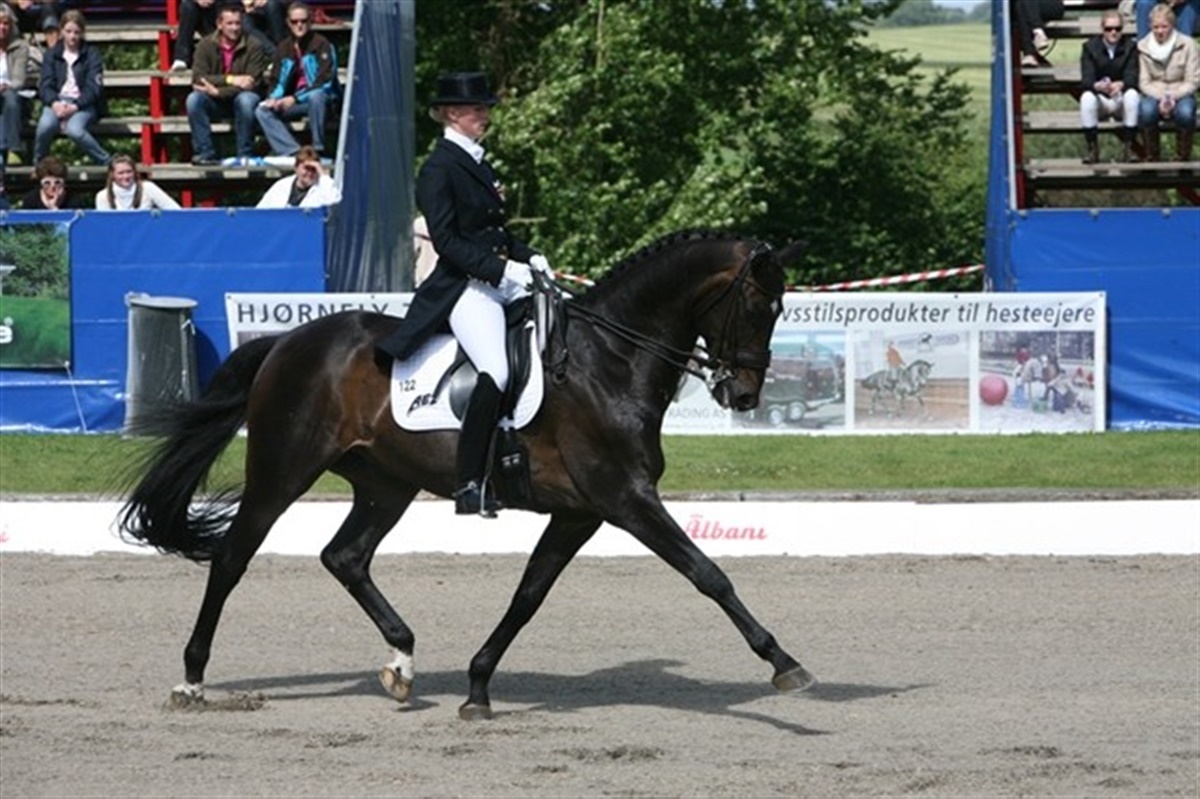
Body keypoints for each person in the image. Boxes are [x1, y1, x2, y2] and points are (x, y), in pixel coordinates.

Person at [376, 72, 552, 518]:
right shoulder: (438, 169)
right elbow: (449, 242)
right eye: (478, 109)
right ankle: (470, 481)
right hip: (464, 288)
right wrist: (502, 269)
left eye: (485, 109)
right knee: (496, 369)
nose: (485, 116)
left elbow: (493, 233)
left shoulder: (476, 161)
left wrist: (530, 257)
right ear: (453, 113)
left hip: (497, 280)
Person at [185, 4, 269, 166]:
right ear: (219, 24)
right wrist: (232, 80)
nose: (234, 28)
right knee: (194, 100)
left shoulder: (254, 45)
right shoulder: (205, 45)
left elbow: (252, 82)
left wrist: (218, 91)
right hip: (215, 102)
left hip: (240, 100)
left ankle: (245, 153)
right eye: (230, 23)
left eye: (238, 23)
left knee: (247, 99)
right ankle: (205, 153)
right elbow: (199, 79)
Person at [254, 2, 337, 157]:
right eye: (294, 22)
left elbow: (325, 82)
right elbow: (275, 81)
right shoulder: (283, 48)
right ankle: (292, 151)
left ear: (310, 21)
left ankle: (318, 148)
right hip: (290, 102)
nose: (299, 25)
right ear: (288, 23)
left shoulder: (322, 44)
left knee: (316, 96)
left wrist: (295, 98)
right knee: (262, 110)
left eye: (303, 21)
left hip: (319, 102)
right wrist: (274, 99)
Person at [33, 9, 109, 165]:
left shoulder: (91, 54)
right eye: (68, 31)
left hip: (83, 103)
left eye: (76, 32)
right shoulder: (52, 54)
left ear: (82, 33)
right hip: (57, 101)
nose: (72, 36)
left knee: (75, 130)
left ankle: (107, 161)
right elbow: (45, 85)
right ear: (61, 31)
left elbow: (94, 87)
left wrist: (76, 106)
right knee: (45, 126)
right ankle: (39, 164)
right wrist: (55, 103)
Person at [1137, 2, 1199, 161]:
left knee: (1185, 113)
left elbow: (1193, 80)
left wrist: (1173, 96)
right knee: (1146, 110)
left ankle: (1182, 156)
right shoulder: (1142, 47)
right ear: (1150, 26)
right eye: (1156, 27)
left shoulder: (1188, 45)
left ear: (1172, 25)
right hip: (1155, 91)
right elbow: (1143, 82)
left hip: (1181, 91)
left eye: (1164, 27)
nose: (1160, 31)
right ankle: (1152, 155)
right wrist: (1162, 97)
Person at [1080, 9, 1141, 163]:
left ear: (1122, 29)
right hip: (1100, 99)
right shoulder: (1089, 47)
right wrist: (1097, 86)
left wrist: (1122, 84)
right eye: (1109, 29)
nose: (1113, 32)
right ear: (1102, 29)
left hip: (1121, 99)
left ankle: (1129, 148)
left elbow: (1133, 76)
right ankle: (1092, 149)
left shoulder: (1130, 47)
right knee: (1086, 98)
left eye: (1117, 29)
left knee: (1133, 95)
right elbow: (1086, 80)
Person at [0, 3, 31, 177]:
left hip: (12, 94)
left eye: (6, 23)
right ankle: (7, 151)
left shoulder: (20, 47)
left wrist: (6, 86)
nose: (2, 27)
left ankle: (12, 149)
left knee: (10, 100)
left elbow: (19, 80)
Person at [255, 143, 339, 207]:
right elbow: (260, 211)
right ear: (296, 168)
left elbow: (333, 202)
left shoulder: (322, 189)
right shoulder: (281, 187)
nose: (310, 173)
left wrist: (322, 173)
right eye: (306, 168)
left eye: (313, 169)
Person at [94, 154, 181, 210]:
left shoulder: (148, 188)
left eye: (129, 172)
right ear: (112, 175)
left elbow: (175, 210)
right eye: (121, 173)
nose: (126, 176)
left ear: (135, 172)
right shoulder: (102, 196)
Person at [1014, 0, 1066, 67]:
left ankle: (1029, 52)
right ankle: (1038, 32)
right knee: (1020, 5)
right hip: (1025, 8)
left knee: (1022, 5)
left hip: (1050, 5)